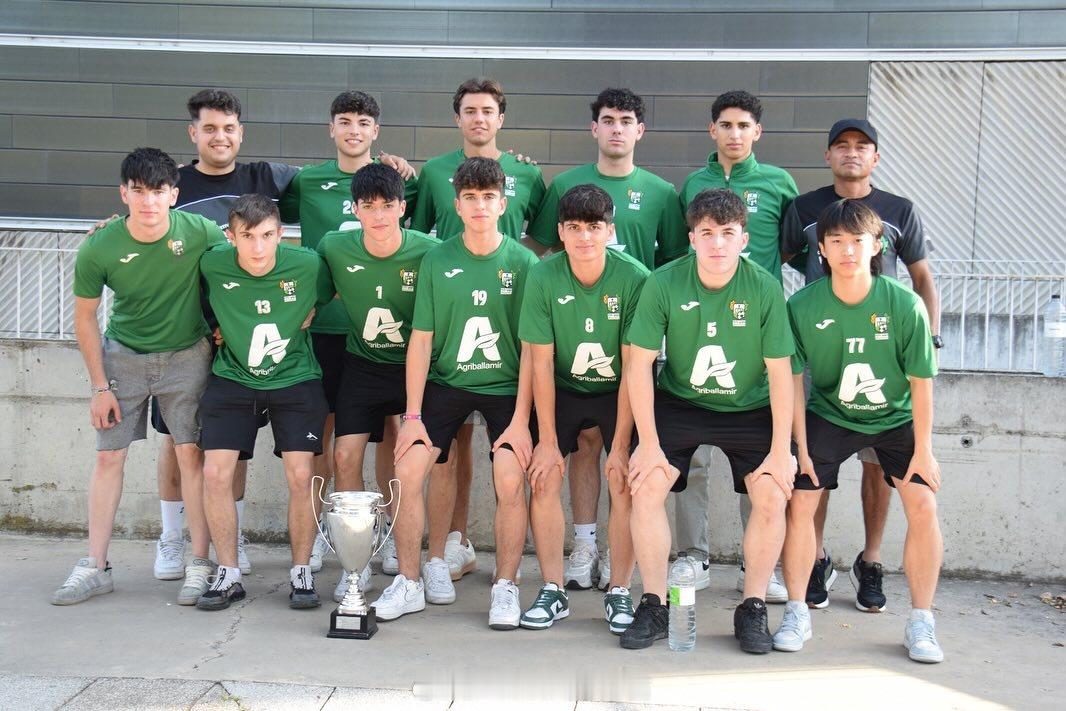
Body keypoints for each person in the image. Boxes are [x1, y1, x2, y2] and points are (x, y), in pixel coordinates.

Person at [621, 189, 795, 652]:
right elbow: (639, 364)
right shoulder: (663, 282)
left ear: (744, 239)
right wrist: (648, 443)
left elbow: (781, 373)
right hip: (681, 401)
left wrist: (782, 450)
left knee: (772, 492)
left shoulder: (763, 287)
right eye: (707, 233)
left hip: (748, 405)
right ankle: (654, 603)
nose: (718, 243)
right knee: (646, 484)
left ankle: (752, 606)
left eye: (728, 233)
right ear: (692, 238)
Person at [526, 88, 687, 590]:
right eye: (608, 119)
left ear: (640, 130)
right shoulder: (565, 184)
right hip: (572, 337)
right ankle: (584, 545)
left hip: (632, 338)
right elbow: (539, 246)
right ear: (594, 128)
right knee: (580, 447)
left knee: (625, 462)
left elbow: (675, 264)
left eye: (626, 120)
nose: (617, 128)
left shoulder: (661, 192)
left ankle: (627, 569)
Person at [780, 118, 941, 611]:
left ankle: (871, 561)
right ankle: (816, 559)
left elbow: (922, 277)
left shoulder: (899, 212)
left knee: (881, 466)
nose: (852, 153)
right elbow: (779, 260)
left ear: (876, 157)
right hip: (824, 347)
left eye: (862, 146)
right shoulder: (804, 209)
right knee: (815, 467)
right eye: (842, 145)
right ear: (828, 155)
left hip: (884, 349)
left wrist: (929, 339)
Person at [54, 147, 225, 606]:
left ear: (174, 194)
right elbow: (85, 318)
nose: (148, 201)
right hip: (123, 357)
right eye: (139, 191)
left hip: (186, 354)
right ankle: (95, 565)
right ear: (124, 194)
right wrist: (99, 386)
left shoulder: (200, 231)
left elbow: (241, 263)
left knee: (191, 455)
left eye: (158, 191)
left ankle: (199, 561)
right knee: (109, 457)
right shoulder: (100, 245)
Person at [379, 157, 538, 628]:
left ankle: (505, 586)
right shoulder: (437, 258)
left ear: (503, 204)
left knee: (509, 475)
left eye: (488, 197)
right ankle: (410, 580)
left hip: (506, 386)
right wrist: (411, 417)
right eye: (470, 197)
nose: (480, 206)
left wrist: (521, 419)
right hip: (448, 382)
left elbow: (533, 349)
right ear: (457, 205)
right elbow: (421, 340)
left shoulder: (524, 262)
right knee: (408, 468)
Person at [150, 88, 301, 581]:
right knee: (178, 439)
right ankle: (172, 537)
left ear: (241, 132)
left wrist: (392, 165)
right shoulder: (174, 184)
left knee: (230, 445)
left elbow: (336, 181)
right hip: (186, 334)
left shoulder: (267, 179)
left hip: (244, 338)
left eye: (229, 127)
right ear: (193, 132)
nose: (220, 136)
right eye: (210, 128)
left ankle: (229, 540)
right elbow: (142, 218)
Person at [408, 78, 547, 584]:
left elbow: (545, 237)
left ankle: (499, 573)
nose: (479, 118)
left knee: (506, 469)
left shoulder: (527, 175)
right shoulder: (434, 173)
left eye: (488, 110)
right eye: (469, 110)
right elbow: (416, 231)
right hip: (451, 333)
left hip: (504, 354)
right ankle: (444, 549)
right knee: (445, 457)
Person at [278, 90, 416, 578]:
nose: (353, 130)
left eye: (363, 122)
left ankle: (388, 530)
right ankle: (324, 529)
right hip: (323, 329)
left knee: (394, 435)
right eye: (344, 121)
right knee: (327, 438)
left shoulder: (397, 179)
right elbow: (253, 216)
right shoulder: (306, 180)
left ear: (375, 130)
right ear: (331, 128)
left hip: (382, 338)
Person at [677, 90, 798, 599]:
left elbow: (791, 249)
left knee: (760, 455)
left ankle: (759, 563)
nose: (734, 133)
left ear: (757, 132)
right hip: (699, 325)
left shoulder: (778, 183)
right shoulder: (693, 184)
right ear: (712, 130)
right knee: (694, 455)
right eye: (725, 125)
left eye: (743, 125)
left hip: (755, 326)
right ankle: (693, 556)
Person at [519, 184, 649, 632]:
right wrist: (547, 441)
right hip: (564, 387)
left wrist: (622, 444)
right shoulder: (544, 275)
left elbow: (634, 366)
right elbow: (540, 360)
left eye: (594, 227)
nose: (584, 236)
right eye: (574, 227)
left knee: (623, 478)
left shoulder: (634, 277)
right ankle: (553, 589)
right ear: (560, 232)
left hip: (619, 390)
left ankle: (619, 590)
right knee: (543, 475)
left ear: (610, 231)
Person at [195, 194, 334, 611]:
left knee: (301, 474)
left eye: (268, 236)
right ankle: (228, 572)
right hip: (233, 376)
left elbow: (329, 293)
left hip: (295, 376)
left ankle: (301, 569)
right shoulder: (213, 263)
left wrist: (311, 311)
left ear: (281, 234)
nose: (258, 247)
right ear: (231, 236)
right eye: (248, 236)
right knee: (215, 473)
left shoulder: (308, 265)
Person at [316, 163, 439, 603]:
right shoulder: (334, 247)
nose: (379, 215)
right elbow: (308, 295)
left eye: (388, 205)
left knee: (403, 456)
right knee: (344, 454)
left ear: (403, 208)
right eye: (369, 207)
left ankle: (397, 540)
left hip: (414, 368)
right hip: (363, 364)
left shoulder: (429, 251)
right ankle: (357, 554)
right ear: (355, 210)